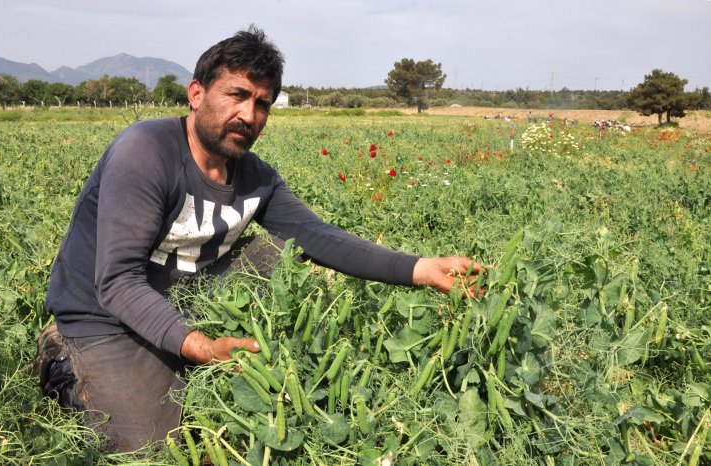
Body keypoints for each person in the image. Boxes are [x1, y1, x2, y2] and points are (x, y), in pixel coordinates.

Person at [34, 26, 483, 452]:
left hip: (178, 299)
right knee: (156, 447)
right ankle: (64, 362)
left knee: (277, 252)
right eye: (237, 95)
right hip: (102, 315)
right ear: (196, 94)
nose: (249, 115)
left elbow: (317, 235)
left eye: (262, 103)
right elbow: (117, 281)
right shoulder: (146, 152)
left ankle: (172, 355)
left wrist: (422, 268)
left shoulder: (255, 177)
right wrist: (200, 346)